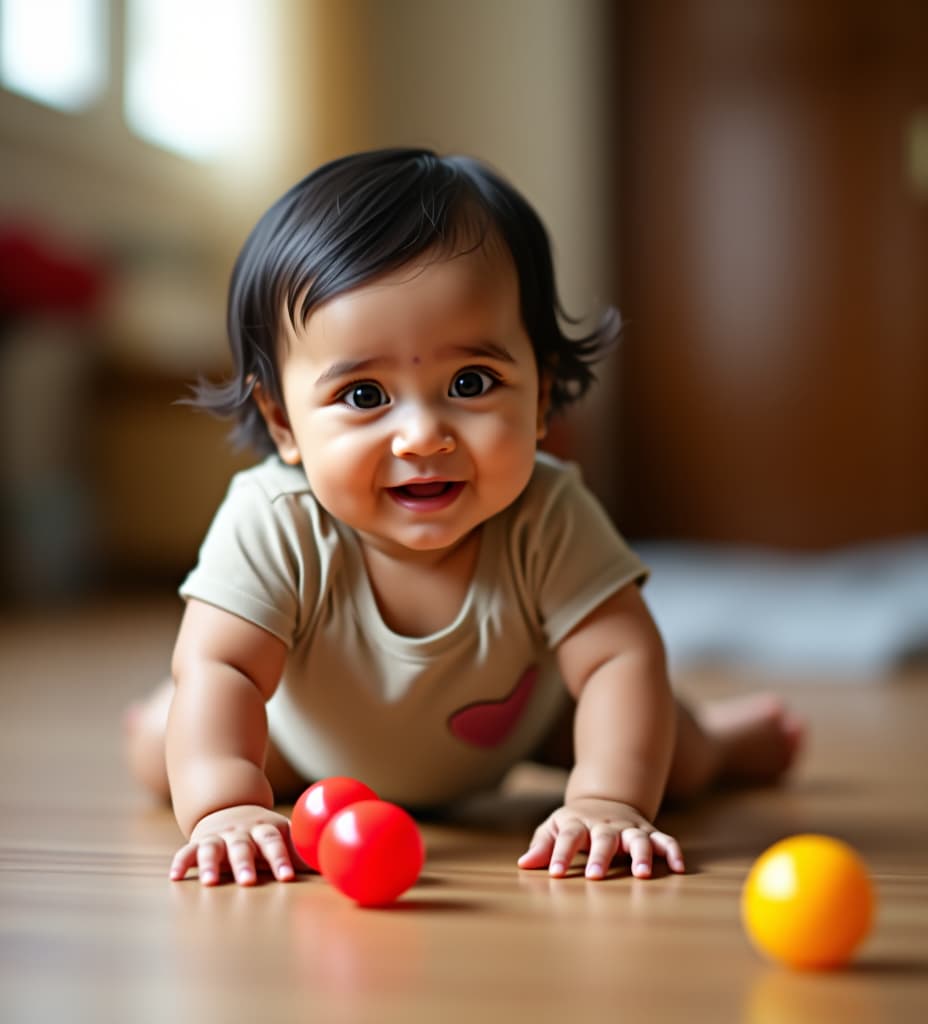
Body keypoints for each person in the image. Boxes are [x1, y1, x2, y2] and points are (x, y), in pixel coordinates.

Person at [126, 148, 802, 887]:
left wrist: (608, 799)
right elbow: (222, 664)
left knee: (668, 748)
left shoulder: (548, 514)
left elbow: (619, 659)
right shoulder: (274, 522)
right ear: (282, 422)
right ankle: (170, 727)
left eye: (470, 382)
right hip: (302, 737)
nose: (422, 436)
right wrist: (225, 806)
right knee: (168, 743)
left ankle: (725, 741)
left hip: (522, 729)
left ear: (541, 396)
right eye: (363, 396)